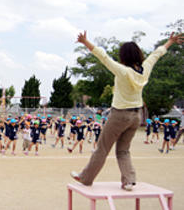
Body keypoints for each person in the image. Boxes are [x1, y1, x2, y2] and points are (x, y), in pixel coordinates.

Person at [70, 31, 183, 191]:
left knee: (103, 147)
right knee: (123, 150)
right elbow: (156, 54)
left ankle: (86, 178)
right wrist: (170, 42)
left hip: (119, 114)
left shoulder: (123, 71)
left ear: (123, 56)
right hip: (136, 115)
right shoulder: (145, 68)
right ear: (138, 54)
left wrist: (85, 42)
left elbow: (103, 57)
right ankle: (129, 181)